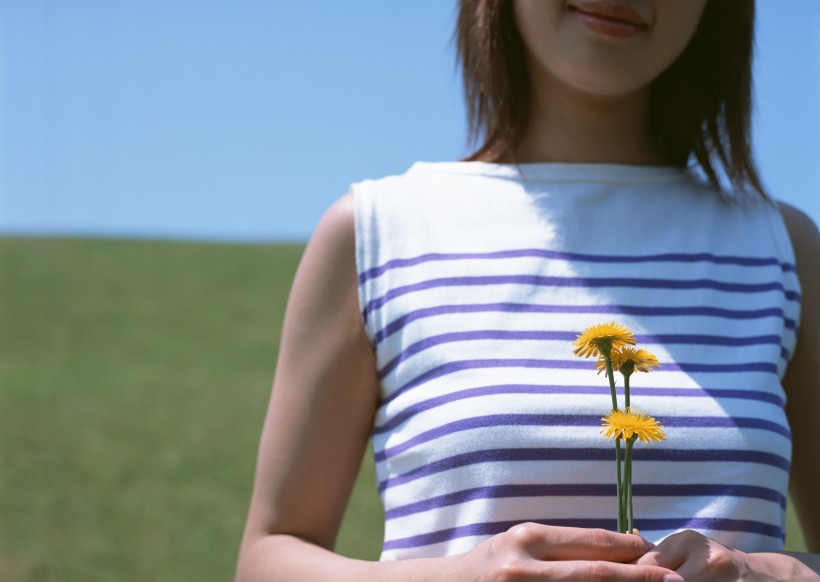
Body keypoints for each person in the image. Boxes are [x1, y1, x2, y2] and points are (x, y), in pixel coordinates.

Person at [235, 0, 820, 580]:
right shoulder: (375, 231)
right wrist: (459, 576)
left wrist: (763, 571)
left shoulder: (785, 248)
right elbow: (267, 558)